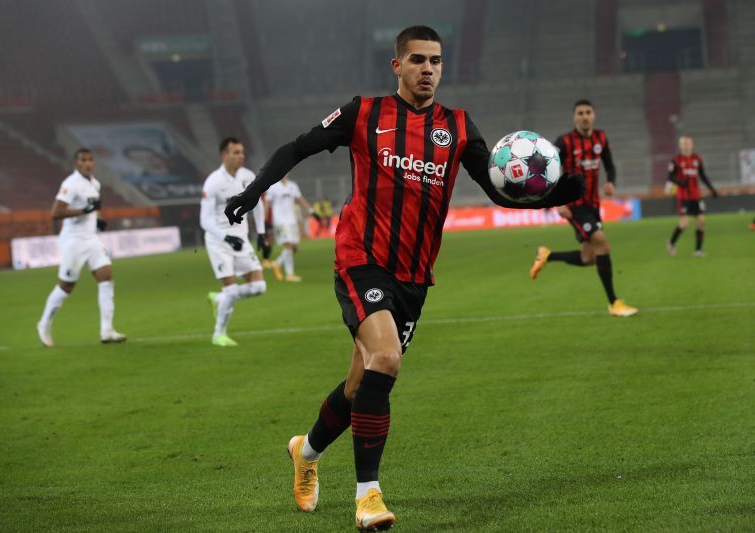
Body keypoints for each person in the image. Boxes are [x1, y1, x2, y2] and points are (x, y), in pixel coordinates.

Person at [224, 26, 583, 530]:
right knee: (387, 359)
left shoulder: (458, 127)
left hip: (414, 275)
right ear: (397, 66)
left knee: (359, 385)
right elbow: (299, 147)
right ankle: (367, 497)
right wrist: (254, 190)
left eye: (435, 61)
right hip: (360, 257)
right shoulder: (363, 114)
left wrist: (556, 194)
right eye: (417, 60)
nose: (428, 70)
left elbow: (499, 191)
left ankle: (305, 452)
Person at [529, 99, 638, 318]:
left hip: (593, 204)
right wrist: (558, 202)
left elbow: (610, 164)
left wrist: (611, 182)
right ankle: (614, 303)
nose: (585, 116)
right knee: (603, 246)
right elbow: (547, 168)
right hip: (575, 205)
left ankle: (547, 255)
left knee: (589, 258)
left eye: (588, 112)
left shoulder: (601, 138)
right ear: (574, 117)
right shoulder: (565, 142)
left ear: (594, 116)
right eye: (580, 113)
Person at [36, 148, 126, 347]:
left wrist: (99, 220)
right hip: (73, 240)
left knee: (106, 277)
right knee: (66, 286)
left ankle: (107, 330)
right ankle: (44, 324)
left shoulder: (95, 183)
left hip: (91, 239)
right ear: (76, 163)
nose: (88, 163)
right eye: (84, 160)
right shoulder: (70, 184)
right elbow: (56, 212)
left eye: (91, 159)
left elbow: (96, 207)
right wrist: (83, 211)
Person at [200, 137, 267, 347]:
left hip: (242, 240)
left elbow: (258, 205)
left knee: (259, 286)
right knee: (230, 289)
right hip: (219, 242)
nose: (240, 156)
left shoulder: (248, 177)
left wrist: (262, 234)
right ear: (224, 155)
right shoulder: (213, 182)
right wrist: (225, 237)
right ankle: (219, 333)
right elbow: (205, 219)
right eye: (235, 152)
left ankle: (221, 299)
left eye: (242, 152)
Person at [665, 136, 718, 257]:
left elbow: (703, 175)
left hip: (696, 196)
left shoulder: (697, 159)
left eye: (688, 143)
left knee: (701, 220)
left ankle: (698, 250)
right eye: (683, 143)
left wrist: (712, 189)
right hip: (683, 197)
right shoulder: (675, 160)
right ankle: (671, 243)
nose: (686, 145)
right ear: (680, 145)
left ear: (692, 145)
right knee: (684, 224)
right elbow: (670, 177)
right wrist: (680, 182)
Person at [263, 176, 317, 282]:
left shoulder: (292, 186)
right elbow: (267, 203)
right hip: (280, 221)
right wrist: (265, 220)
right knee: (289, 245)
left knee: (294, 247)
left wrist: (311, 211)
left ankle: (286, 272)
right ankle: (281, 266)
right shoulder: (273, 187)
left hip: (292, 220)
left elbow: (300, 199)